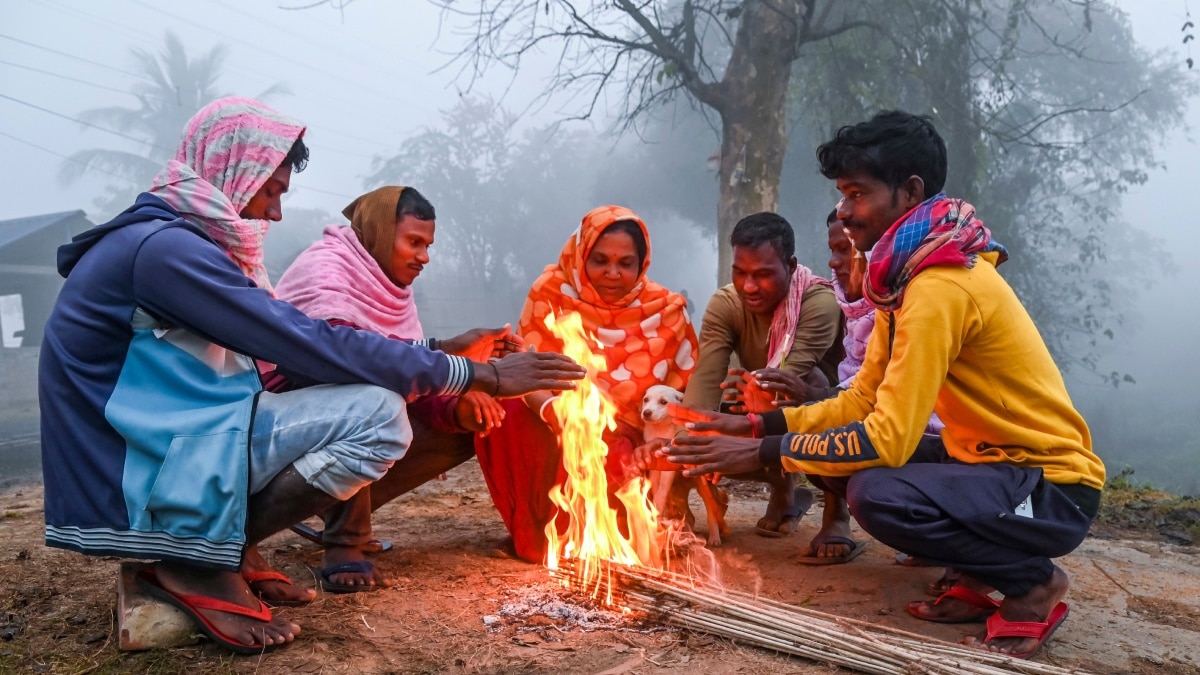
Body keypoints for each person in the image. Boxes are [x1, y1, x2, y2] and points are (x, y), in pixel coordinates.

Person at [38, 97, 584, 653]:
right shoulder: (164, 250)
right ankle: (199, 563)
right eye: (271, 191)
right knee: (377, 414)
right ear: (233, 172)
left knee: (383, 400)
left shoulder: (177, 242)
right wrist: (477, 373)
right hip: (135, 457)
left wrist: (443, 355)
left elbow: (307, 350)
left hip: (182, 429)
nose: (275, 215)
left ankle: (224, 546)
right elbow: (307, 346)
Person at [656, 110, 1105, 659]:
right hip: (991, 464)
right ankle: (979, 574)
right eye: (842, 195)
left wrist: (760, 448)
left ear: (909, 190)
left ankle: (1033, 584)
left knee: (878, 493)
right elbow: (861, 399)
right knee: (852, 461)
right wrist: (755, 421)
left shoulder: (939, 287)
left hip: (1052, 488)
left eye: (856, 194)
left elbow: (886, 437)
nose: (843, 211)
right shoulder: (907, 275)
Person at [266, 185, 510, 594]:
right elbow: (346, 359)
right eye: (414, 242)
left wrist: (458, 405)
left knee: (470, 415)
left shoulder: (390, 288)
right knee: (365, 391)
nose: (424, 257)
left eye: (428, 245)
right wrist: (449, 354)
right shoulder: (326, 267)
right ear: (379, 231)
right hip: (283, 417)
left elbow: (406, 371)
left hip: (352, 411)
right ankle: (344, 542)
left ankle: (329, 503)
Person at [475, 205, 698, 563]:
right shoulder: (550, 293)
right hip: (554, 417)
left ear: (642, 264)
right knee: (505, 410)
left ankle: (620, 529)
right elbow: (524, 371)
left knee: (615, 457)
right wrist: (554, 411)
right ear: (581, 256)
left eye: (625, 263)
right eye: (600, 261)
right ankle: (536, 535)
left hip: (633, 437)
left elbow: (688, 397)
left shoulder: (666, 309)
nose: (612, 273)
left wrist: (651, 446)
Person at [680, 212, 842, 539]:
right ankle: (784, 489)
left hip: (824, 410)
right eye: (740, 273)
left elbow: (782, 382)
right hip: (755, 403)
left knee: (801, 386)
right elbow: (706, 379)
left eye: (763, 274)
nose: (749, 286)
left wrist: (750, 402)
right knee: (692, 424)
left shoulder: (820, 303)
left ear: (792, 265)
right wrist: (689, 437)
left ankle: (837, 515)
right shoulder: (726, 304)